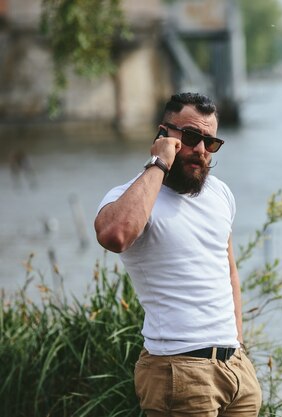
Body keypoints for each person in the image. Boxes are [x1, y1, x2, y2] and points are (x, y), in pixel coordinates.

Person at [94, 92, 262, 417]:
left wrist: (238, 345)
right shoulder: (130, 197)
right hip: (179, 370)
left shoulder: (220, 193)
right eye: (190, 137)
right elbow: (115, 236)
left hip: (235, 371)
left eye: (209, 142)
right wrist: (159, 163)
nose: (200, 150)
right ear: (163, 135)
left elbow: (228, 272)